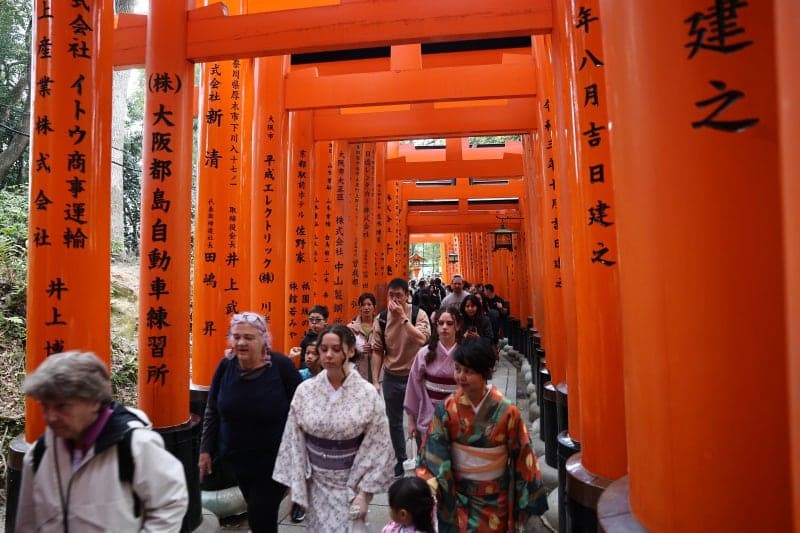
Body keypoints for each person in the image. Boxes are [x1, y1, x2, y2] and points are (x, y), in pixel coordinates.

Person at [16, 351, 188, 532]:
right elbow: (27, 521)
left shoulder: (135, 446)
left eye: (62, 406)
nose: (50, 417)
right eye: (45, 406)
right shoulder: (39, 453)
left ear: (95, 401)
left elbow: (171, 501)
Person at [416, 337, 548, 532]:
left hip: (496, 500)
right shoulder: (447, 409)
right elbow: (434, 451)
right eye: (458, 369)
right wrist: (431, 486)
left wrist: (527, 499)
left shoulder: (507, 412)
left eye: (468, 371)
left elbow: (523, 455)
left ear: (486, 372)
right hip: (457, 498)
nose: (461, 376)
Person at [273, 325, 394, 533]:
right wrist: (296, 485)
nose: (328, 355)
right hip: (316, 483)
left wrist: (365, 494)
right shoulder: (305, 390)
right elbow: (293, 439)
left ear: (350, 351)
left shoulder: (366, 393)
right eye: (323, 349)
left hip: (351, 483)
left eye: (336, 349)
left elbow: (379, 444)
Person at [199, 312, 302, 533]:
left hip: (274, 461)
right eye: (236, 337)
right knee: (260, 514)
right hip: (237, 460)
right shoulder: (225, 367)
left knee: (259, 515)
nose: (241, 342)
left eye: (249, 337)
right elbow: (212, 409)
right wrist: (205, 450)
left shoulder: (281, 367)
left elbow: (302, 413)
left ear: (263, 339)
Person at [370, 278, 431, 477]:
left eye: (399, 295)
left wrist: (403, 318)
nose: (394, 299)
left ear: (407, 295)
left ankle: (423, 458)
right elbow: (377, 350)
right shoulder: (381, 318)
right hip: (391, 376)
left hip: (416, 377)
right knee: (394, 422)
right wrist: (375, 380)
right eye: (391, 295)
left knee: (422, 421)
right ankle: (400, 459)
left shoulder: (417, 314)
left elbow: (421, 339)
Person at [404, 305, 463, 444]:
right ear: (436, 326)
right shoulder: (424, 353)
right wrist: (411, 420)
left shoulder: (465, 353)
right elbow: (413, 385)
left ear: (458, 326)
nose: (444, 327)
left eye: (449, 323)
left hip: (459, 414)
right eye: (441, 323)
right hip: (430, 412)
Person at [347, 292, 378, 385]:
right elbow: (346, 349)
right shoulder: (351, 327)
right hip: (358, 370)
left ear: (374, 307)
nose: (366, 307)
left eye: (369, 304)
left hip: (378, 370)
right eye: (363, 305)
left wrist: (375, 347)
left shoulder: (381, 325)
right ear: (359, 308)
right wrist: (358, 350)